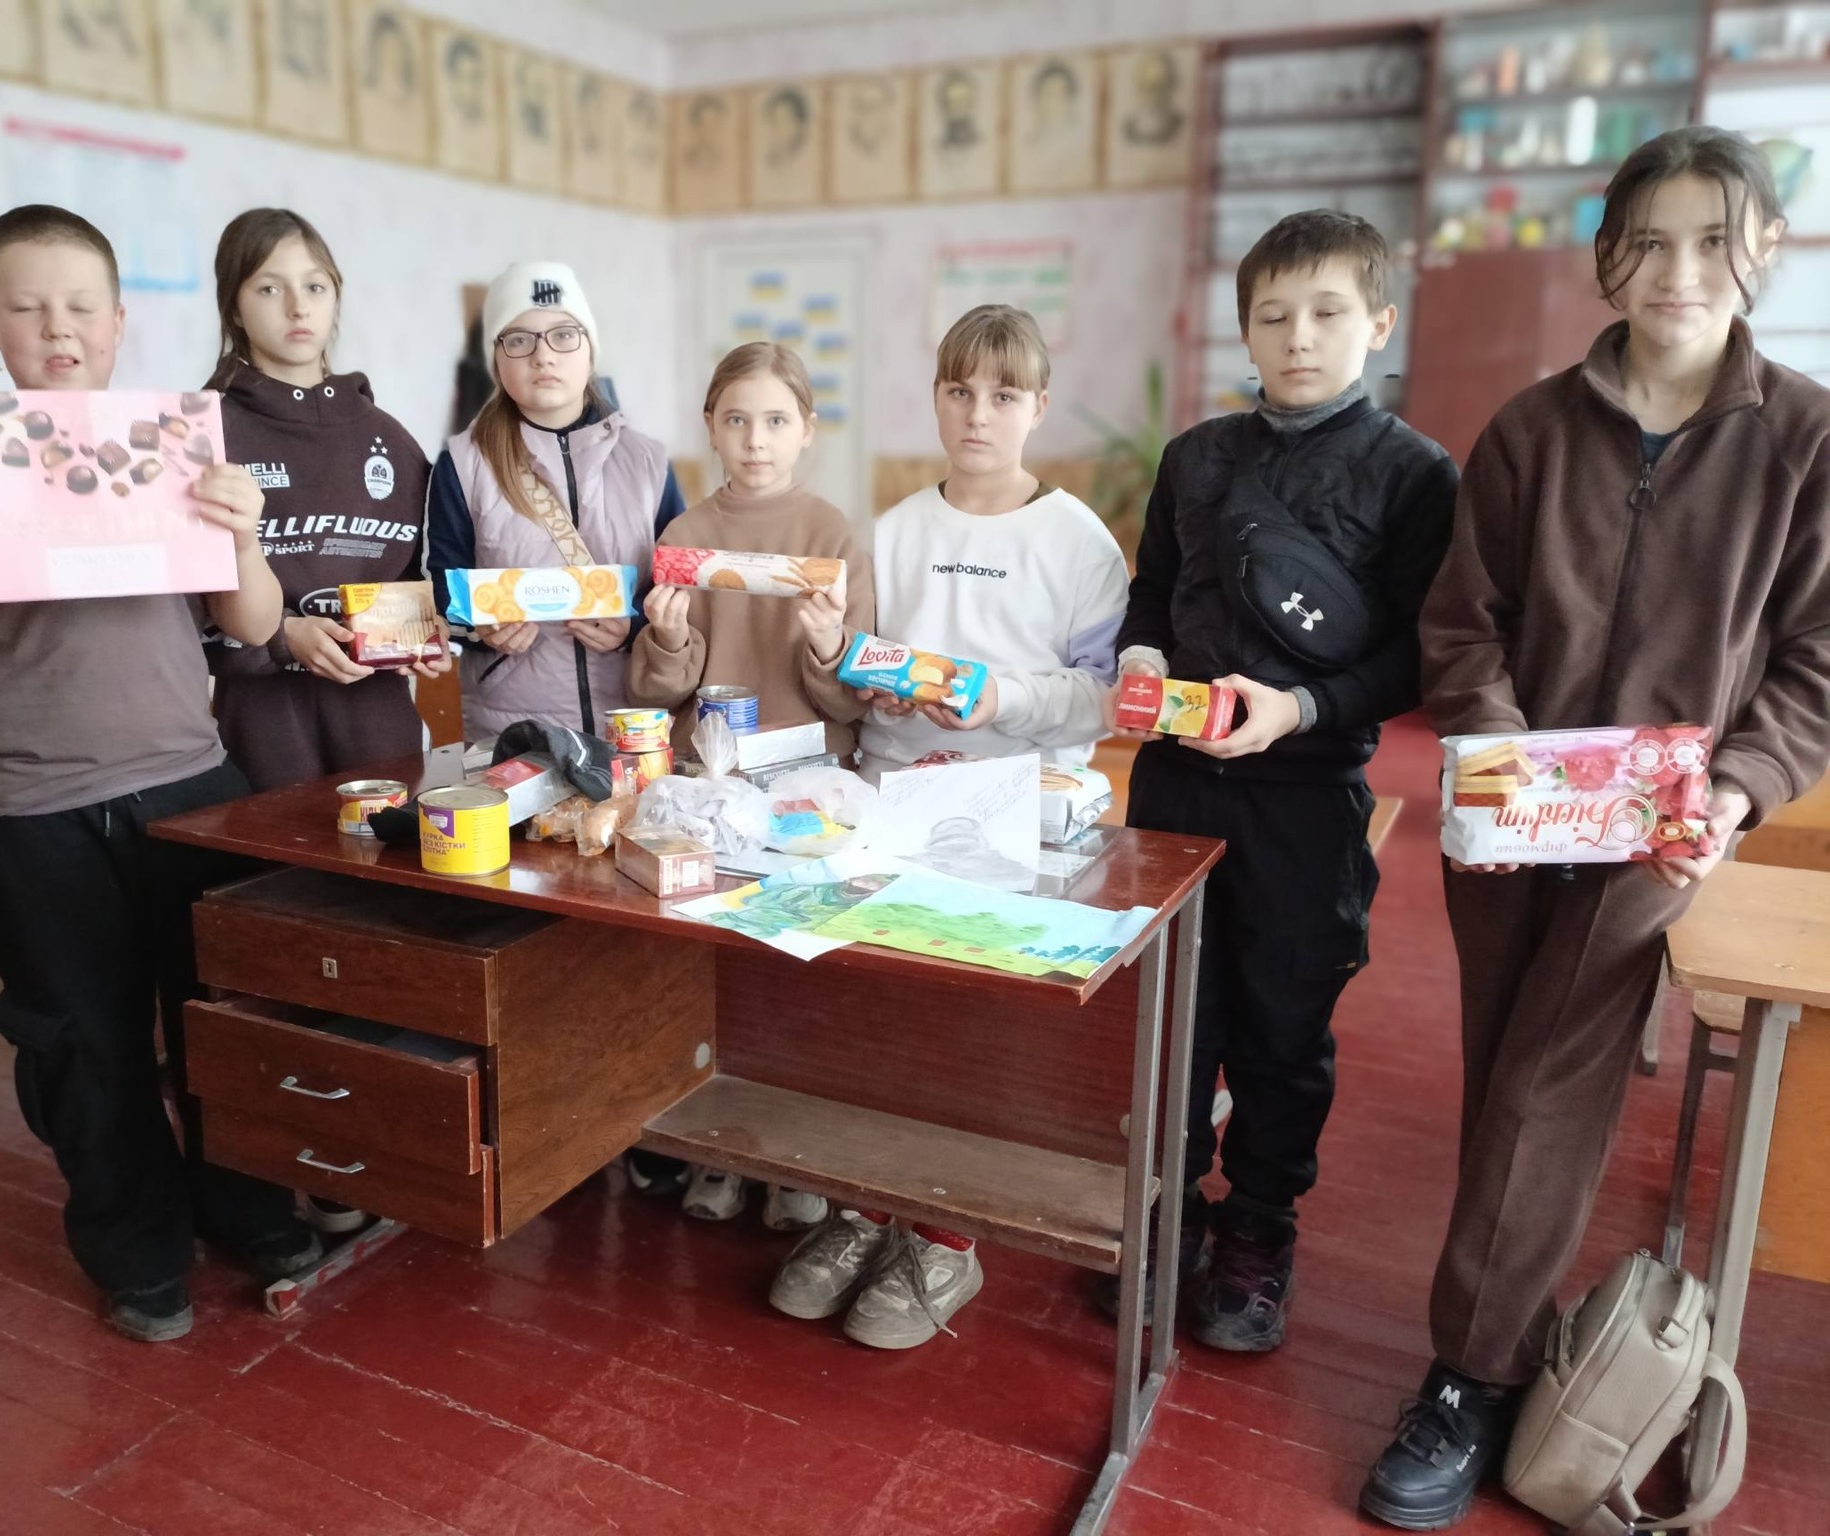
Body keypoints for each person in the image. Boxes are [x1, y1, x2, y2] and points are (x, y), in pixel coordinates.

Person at [1363, 126, 1830, 1532]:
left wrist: (1738, 787)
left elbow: (1813, 662)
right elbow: (1462, 621)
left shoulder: (1805, 442)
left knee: (1545, 1088)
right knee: (1505, 1069)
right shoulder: (1528, 430)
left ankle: (1470, 1375)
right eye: (1649, 242)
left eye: (1712, 241)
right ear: (1606, 259)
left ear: (1762, 251)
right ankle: (1507, 1316)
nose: (1679, 271)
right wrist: (1500, 745)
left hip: (1658, 832)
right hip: (1513, 818)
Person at [0, 206, 312, 1344]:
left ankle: (251, 1208)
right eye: (27, 308)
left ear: (119, 322)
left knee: (219, 1021)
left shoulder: (178, 447)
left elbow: (249, 621)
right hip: (30, 809)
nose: (56, 330)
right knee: (82, 1044)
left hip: (188, 789)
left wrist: (245, 535)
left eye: (79, 307)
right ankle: (138, 1248)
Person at [1104, 210, 1456, 1358]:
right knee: (1171, 1013)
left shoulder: (1414, 475)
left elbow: (1414, 656)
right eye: (1272, 315)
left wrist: (1298, 709)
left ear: (1377, 324)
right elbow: (1152, 588)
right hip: (1173, 784)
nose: (1297, 336)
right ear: (1244, 329)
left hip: (1306, 797)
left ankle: (1257, 1227)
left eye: (1325, 312)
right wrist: (1141, 659)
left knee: (1281, 1019)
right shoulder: (1194, 456)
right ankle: (1166, 1212)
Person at [766, 303, 1128, 1349]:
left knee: (971, 1033)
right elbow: (859, 671)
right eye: (959, 391)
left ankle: (944, 1237)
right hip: (890, 807)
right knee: (869, 1021)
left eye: (1003, 395)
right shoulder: (890, 530)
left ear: (1037, 407)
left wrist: (998, 698)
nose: (978, 414)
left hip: (1018, 815)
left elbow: (1102, 698)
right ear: (934, 397)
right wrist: (859, 675)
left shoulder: (1080, 542)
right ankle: (860, 1211)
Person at [628, 340, 874, 1231]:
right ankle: (719, 1148)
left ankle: (796, 1159)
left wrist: (828, 644)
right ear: (711, 427)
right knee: (715, 974)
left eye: (775, 420)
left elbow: (852, 696)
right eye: (737, 420)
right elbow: (656, 691)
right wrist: (666, 637)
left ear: (807, 429)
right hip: (711, 791)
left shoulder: (833, 536)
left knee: (799, 975)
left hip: (812, 791)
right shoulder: (683, 537)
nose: (756, 439)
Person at [204, 207, 445, 799]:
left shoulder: (390, 439)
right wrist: (283, 637)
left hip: (380, 726)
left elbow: (419, 578)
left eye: (315, 287)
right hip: (260, 733)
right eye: (269, 288)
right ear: (233, 308)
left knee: (389, 853)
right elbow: (181, 608)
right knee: (270, 858)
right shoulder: (203, 435)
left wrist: (425, 632)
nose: (297, 307)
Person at [424, 259, 683, 747]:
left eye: (564, 335)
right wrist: (479, 627)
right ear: (496, 358)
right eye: (519, 339)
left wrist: (632, 627)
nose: (543, 356)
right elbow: (443, 585)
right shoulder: (462, 463)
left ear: (590, 350)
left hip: (634, 723)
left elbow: (678, 585)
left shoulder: (648, 461)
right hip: (513, 731)